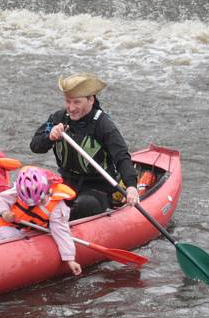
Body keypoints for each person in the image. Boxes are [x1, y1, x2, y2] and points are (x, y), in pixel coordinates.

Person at [29, 73, 139, 220]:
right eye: (68, 102)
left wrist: (131, 186)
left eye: (77, 102)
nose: (71, 108)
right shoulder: (58, 119)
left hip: (98, 188)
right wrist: (50, 137)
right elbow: (35, 146)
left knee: (83, 206)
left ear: (91, 100)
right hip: (67, 183)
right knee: (32, 197)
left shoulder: (103, 125)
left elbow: (121, 156)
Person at [0, 166, 82, 276]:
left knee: (3, 233)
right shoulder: (19, 189)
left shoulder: (57, 207)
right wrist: (4, 213)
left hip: (21, 230)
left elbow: (61, 232)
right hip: (0, 220)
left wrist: (70, 259)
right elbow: (0, 200)